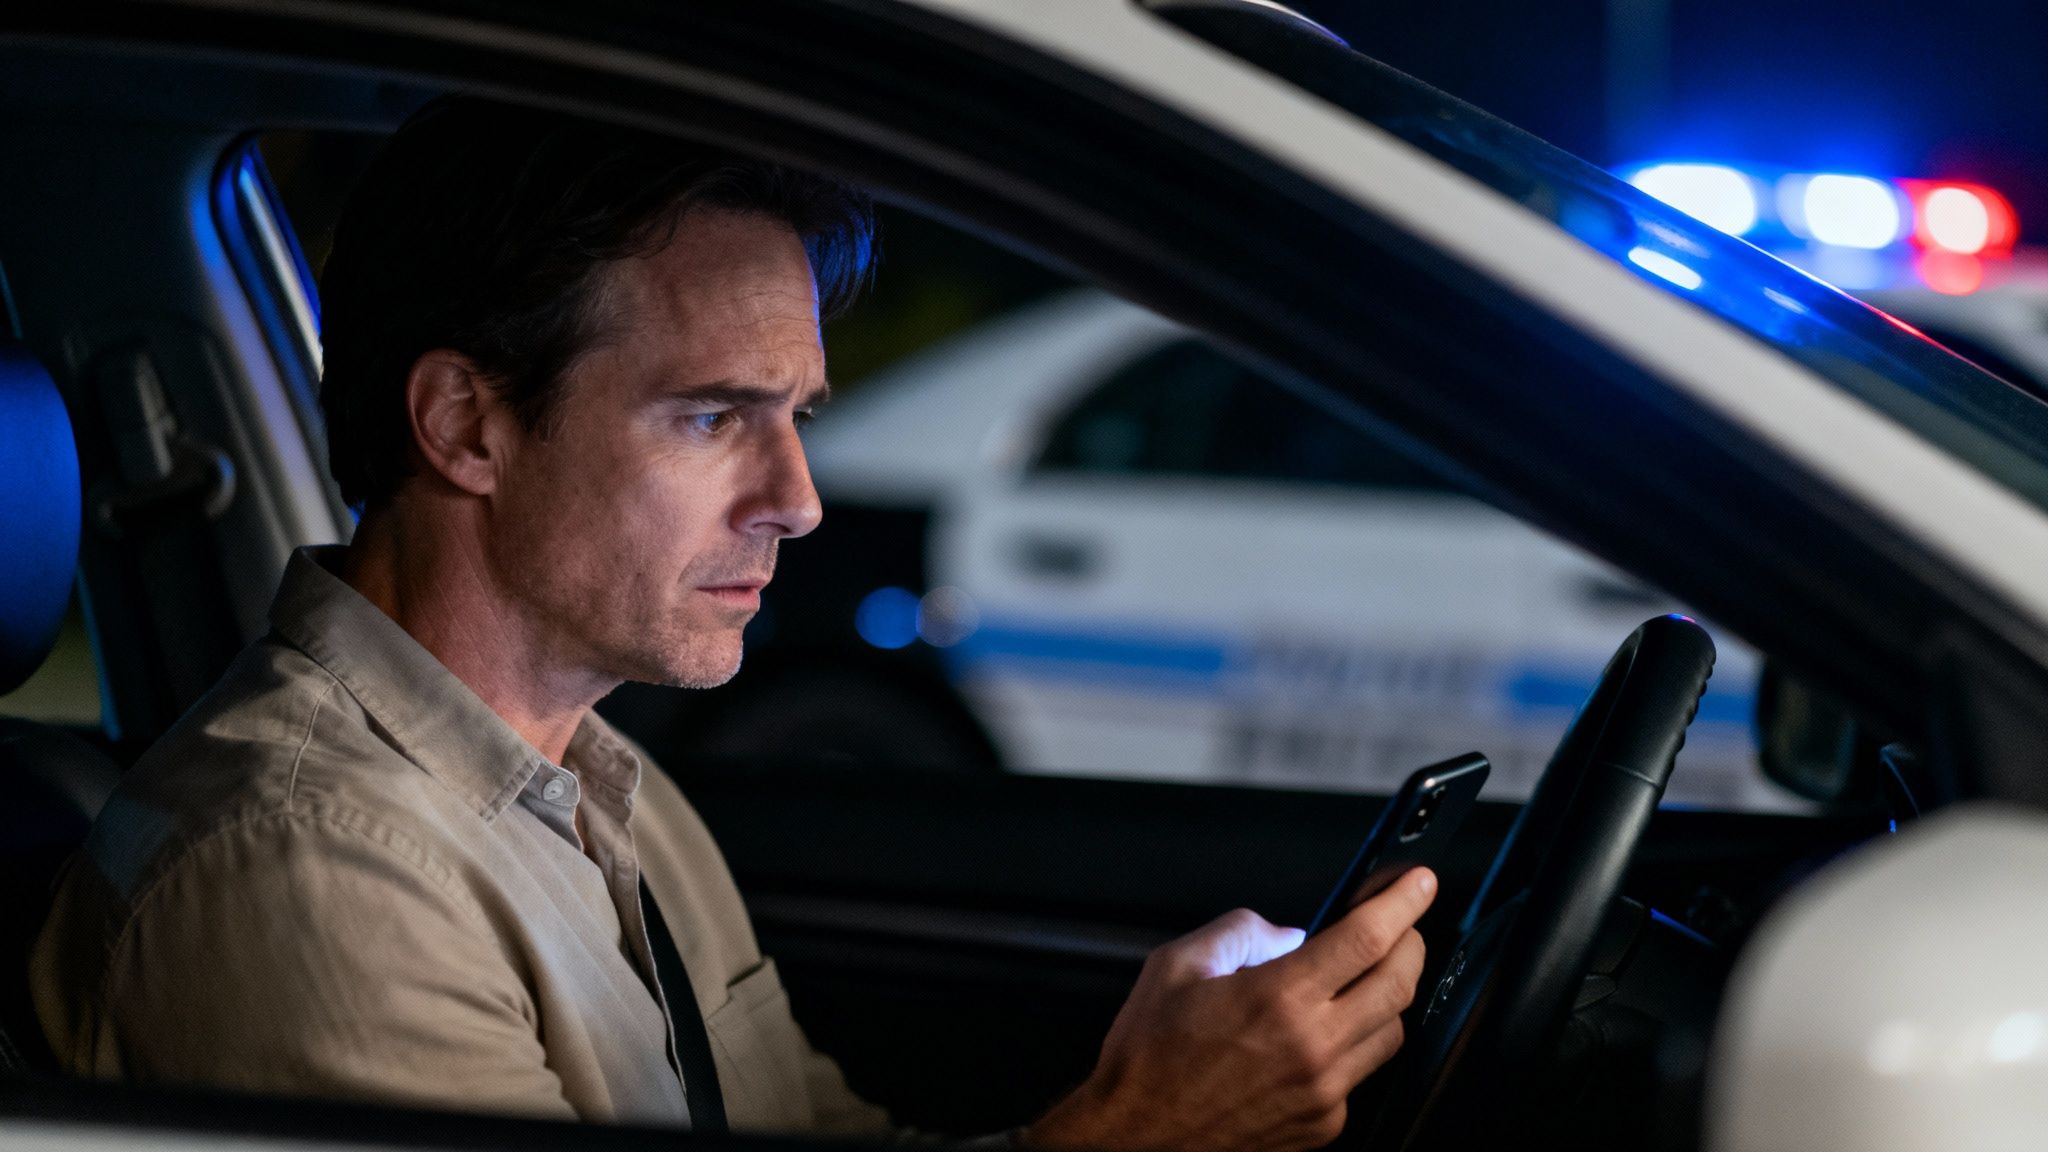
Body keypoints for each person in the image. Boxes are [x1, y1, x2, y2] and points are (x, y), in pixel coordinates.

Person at [32, 98, 1433, 1150]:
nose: (801, 501)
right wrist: (1135, 1133)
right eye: (712, 416)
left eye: (796, 420)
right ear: (466, 423)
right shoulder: (306, 881)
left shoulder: (600, 787)